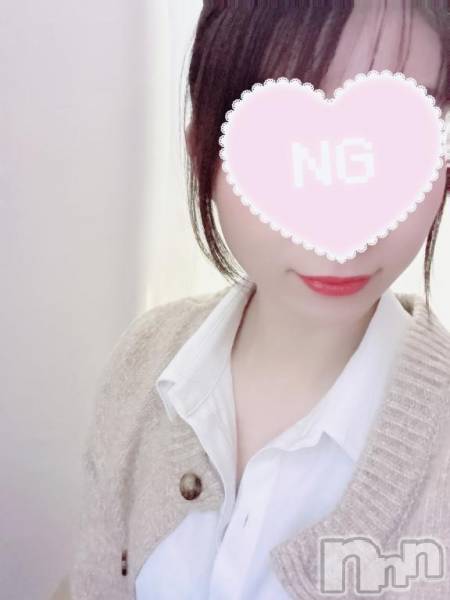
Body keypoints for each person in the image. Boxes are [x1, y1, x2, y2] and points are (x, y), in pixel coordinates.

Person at [60, 2, 450, 599]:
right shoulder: (143, 364)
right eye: (286, 149)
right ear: (202, 146)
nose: (339, 230)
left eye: (392, 147)